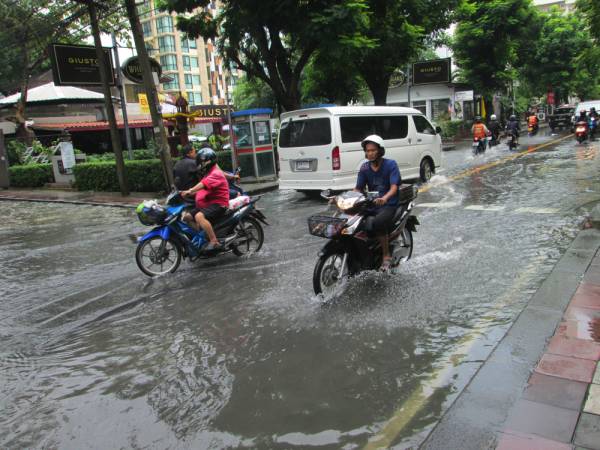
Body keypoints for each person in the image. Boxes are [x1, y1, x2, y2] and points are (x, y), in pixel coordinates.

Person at [354, 134, 401, 272]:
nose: (370, 153)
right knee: (353, 221)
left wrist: (385, 198)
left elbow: (394, 187)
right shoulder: (364, 168)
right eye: (367, 151)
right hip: (372, 204)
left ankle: (386, 256)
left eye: (373, 150)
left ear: (380, 151)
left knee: (378, 222)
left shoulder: (391, 164)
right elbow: (358, 188)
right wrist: (344, 198)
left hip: (388, 204)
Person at [182, 148, 230, 251]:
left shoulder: (215, 173)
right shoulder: (209, 173)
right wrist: (185, 193)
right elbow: (201, 186)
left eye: (201, 162)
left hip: (219, 204)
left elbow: (203, 184)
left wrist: (190, 190)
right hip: (209, 203)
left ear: (207, 162)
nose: (200, 165)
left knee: (199, 216)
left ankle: (214, 241)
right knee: (187, 217)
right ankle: (204, 233)